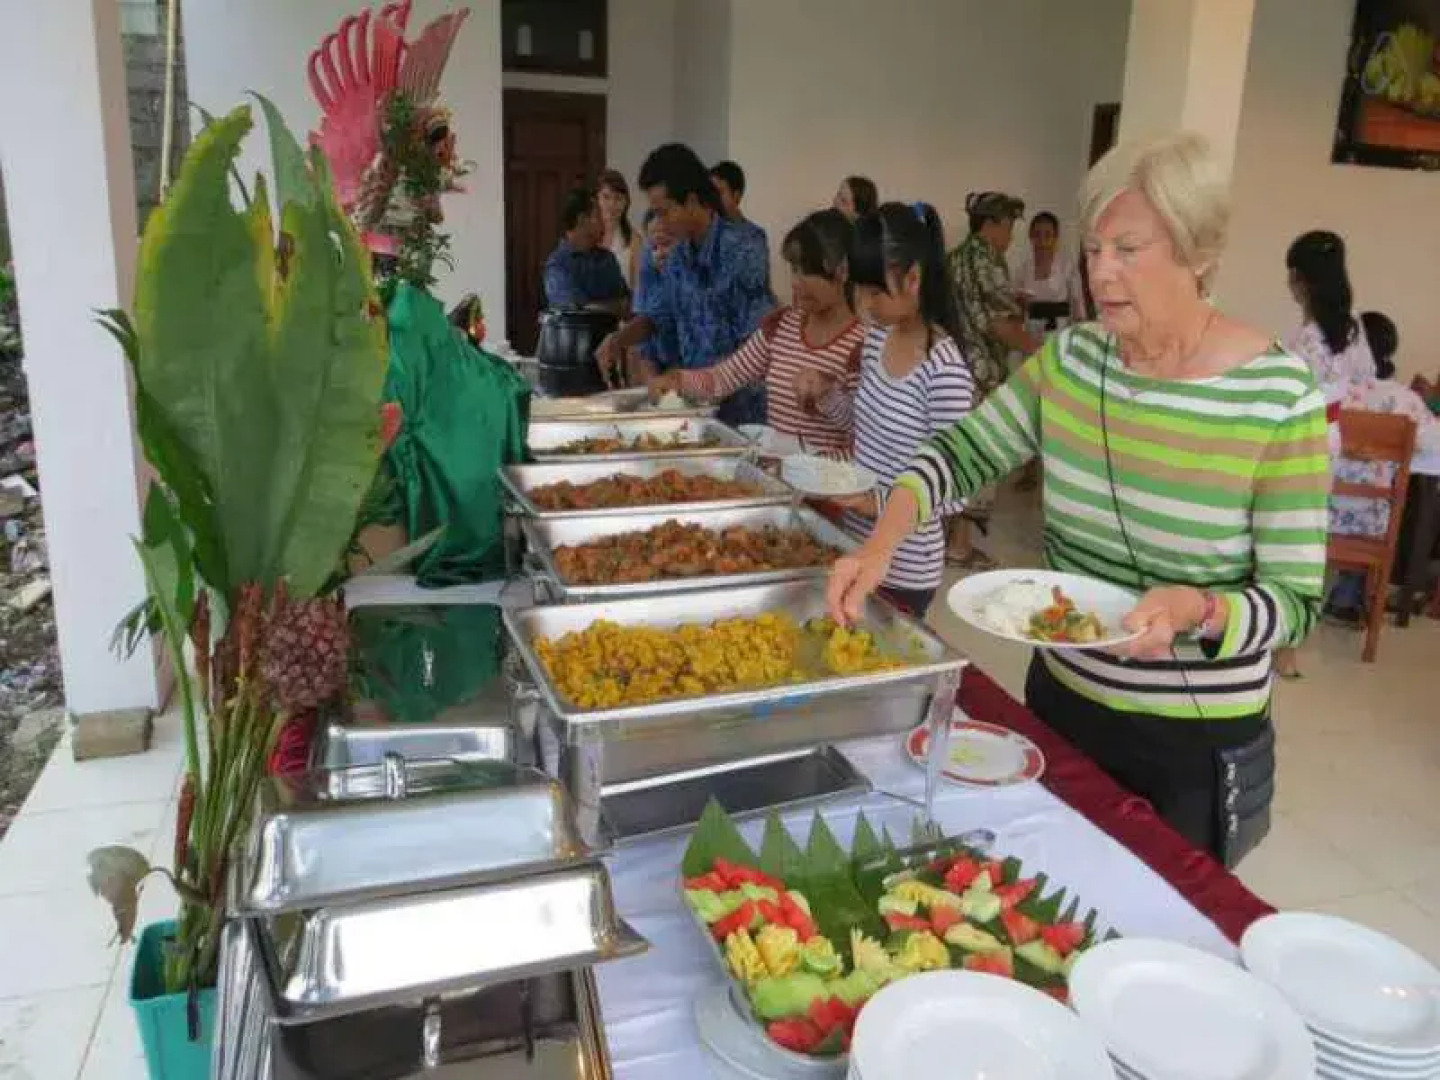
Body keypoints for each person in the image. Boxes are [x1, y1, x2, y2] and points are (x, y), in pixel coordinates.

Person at [828, 133, 1329, 864]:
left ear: (1197, 253)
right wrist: (880, 545)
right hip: (1065, 705)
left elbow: (1297, 602)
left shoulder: (1277, 395)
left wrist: (1201, 608)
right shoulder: (1070, 360)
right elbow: (959, 453)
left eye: (1128, 250)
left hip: (1191, 736)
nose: (1101, 272)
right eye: (1094, 250)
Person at [796, 202, 975, 618]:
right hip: (850, 544)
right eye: (859, 289)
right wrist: (824, 395)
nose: (865, 303)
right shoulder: (878, 340)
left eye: (875, 291)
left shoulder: (944, 370)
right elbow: (865, 430)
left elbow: (955, 491)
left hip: (904, 565)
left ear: (913, 279)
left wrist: (873, 502)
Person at [649, 209, 864, 458]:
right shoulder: (781, 326)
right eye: (794, 269)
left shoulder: (863, 346)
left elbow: (865, 433)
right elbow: (725, 378)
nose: (796, 282)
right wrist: (679, 381)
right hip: (779, 474)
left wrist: (827, 395)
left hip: (829, 485)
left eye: (807, 272)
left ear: (842, 271)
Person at [596, 143, 775, 426]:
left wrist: (698, 382)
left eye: (665, 212)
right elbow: (658, 316)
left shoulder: (743, 249)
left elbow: (757, 344)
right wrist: (618, 340)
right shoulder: (679, 255)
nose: (660, 224)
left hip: (742, 413)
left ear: (692, 201)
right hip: (695, 406)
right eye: (655, 214)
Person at [946, 191, 1044, 568]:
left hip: (952, 372)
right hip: (982, 376)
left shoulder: (953, 259)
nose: (1011, 236)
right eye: (1007, 226)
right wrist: (1041, 352)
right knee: (979, 459)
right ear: (989, 224)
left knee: (954, 457)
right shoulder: (989, 262)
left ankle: (948, 538)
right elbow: (1000, 325)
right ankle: (960, 544)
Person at [1325, 311, 1440, 617]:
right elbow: (1433, 445)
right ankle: (1349, 595)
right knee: (1389, 504)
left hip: (1317, 513)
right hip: (1371, 523)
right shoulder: (1406, 402)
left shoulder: (1332, 393)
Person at [1283, 230, 1373, 395]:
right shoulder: (1354, 325)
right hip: (1358, 416)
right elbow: (1368, 378)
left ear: (1295, 276)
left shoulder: (1304, 344)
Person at [541, 186, 628, 314]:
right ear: (582, 219)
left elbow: (627, 303)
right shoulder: (557, 265)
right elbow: (579, 313)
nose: (606, 221)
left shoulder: (607, 258)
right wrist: (615, 307)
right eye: (599, 215)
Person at [1015, 211, 1085, 332]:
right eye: (1037, 235)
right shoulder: (1023, 271)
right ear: (1031, 237)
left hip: (1061, 337)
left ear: (1055, 238)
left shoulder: (1067, 267)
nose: (1042, 241)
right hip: (1032, 339)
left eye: (1048, 235)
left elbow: (1078, 308)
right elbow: (1018, 312)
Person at [597, 168, 640, 291]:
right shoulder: (586, 236)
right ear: (597, 199)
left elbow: (638, 289)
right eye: (606, 197)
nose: (612, 204)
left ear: (626, 202)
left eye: (618, 198)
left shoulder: (634, 240)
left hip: (621, 307)